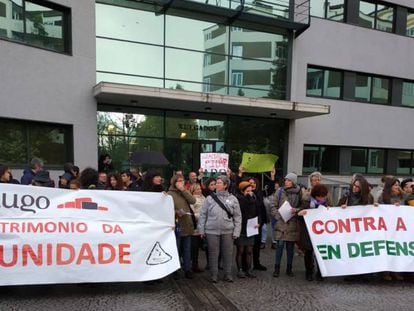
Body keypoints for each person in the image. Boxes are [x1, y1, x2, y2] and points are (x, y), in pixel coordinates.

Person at [198, 175, 241, 283]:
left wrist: (237, 231)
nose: (216, 184)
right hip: (211, 231)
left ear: (226, 185)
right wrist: (201, 230)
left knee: (228, 253)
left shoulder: (233, 199)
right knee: (213, 253)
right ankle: (214, 275)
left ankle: (228, 274)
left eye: (219, 183)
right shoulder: (209, 199)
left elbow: (237, 216)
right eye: (216, 183)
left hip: (228, 231)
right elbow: (203, 215)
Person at [271, 172, 304, 278]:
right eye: (286, 180)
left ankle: (289, 269)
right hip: (281, 222)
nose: (286, 182)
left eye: (289, 180)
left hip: (293, 222)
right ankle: (277, 268)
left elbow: (303, 205)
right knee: (279, 246)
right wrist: (277, 216)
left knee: (290, 248)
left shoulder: (299, 192)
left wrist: (297, 210)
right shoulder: (280, 191)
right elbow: (273, 205)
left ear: (293, 182)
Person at [298, 184, 330, 281]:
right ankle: (309, 272)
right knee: (308, 252)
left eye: (324, 196)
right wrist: (300, 213)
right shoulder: (307, 202)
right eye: (320, 196)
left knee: (320, 253)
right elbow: (299, 213)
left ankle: (320, 272)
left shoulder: (327, 203)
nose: (322, 198)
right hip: (308, 232)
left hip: (321, 232)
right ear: (315, 195)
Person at [168, 174, 197, 279]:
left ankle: (187, 269)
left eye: (182, 180)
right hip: (177, 225)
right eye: (178, 181)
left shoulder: (185, 191)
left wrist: (184, 190)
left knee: (187, 248)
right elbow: (167, 209)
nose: (181, 182)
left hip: (187, 224)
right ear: (174, 182)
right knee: (176, 248)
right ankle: (175, 270)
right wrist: (176, 212)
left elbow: (193, 201)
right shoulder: (170, 194)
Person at [377, 178, 405, 281]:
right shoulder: (382, 197)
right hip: (386, 228)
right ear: (390, 187)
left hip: (398, 228)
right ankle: (386, 272)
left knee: (396, 250)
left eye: (398, 185)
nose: (397, 187)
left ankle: (396, 271)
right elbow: (380, 210)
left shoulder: (402, 196)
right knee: (387, 249)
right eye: (395, 185)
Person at [235, 181, 261, 278]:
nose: (250, 192)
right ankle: (240, 269)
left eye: (251, 190)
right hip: (242, 227)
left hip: (252, 227)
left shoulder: (254, 199)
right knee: (241, 250)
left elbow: (258, 211)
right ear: (242, 191)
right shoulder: (239, 199)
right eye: (247, 191)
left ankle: (249, 269)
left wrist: (259, 222)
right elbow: (244, 208)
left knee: (249, 250)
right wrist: (248, 197)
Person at [189, 183, 205, 273]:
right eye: (197, 189)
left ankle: (196, 264)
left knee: (199, 247)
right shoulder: (192, 200)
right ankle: (193, 265)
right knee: (194, 248)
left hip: (203, 226)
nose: (199, 191)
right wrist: (201, 216)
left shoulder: (204, 198)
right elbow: (192, 213)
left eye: (200, 189)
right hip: (195, 227)